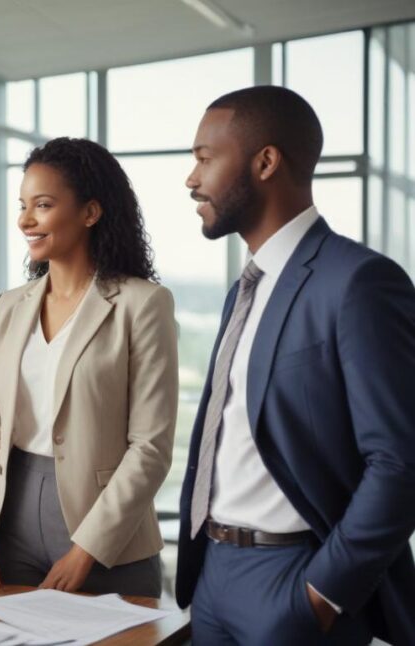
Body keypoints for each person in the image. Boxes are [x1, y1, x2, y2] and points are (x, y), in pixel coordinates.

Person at [177, 86, 415, 644]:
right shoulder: (244, 288)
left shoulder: (357, 281)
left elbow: (401, 461)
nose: (192, 179)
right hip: (211, 577)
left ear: (266, 161)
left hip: (292, 580)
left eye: (205, 159)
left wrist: (322, 594)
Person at [0, 137, 177, 598]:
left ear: (90, 212)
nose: (25, 220)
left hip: (108, 534)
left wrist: (88, 548)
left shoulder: (142, 305)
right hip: (9, 525)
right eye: (22, 205)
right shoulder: (7, 307)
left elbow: (151, 448)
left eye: (42, 205)